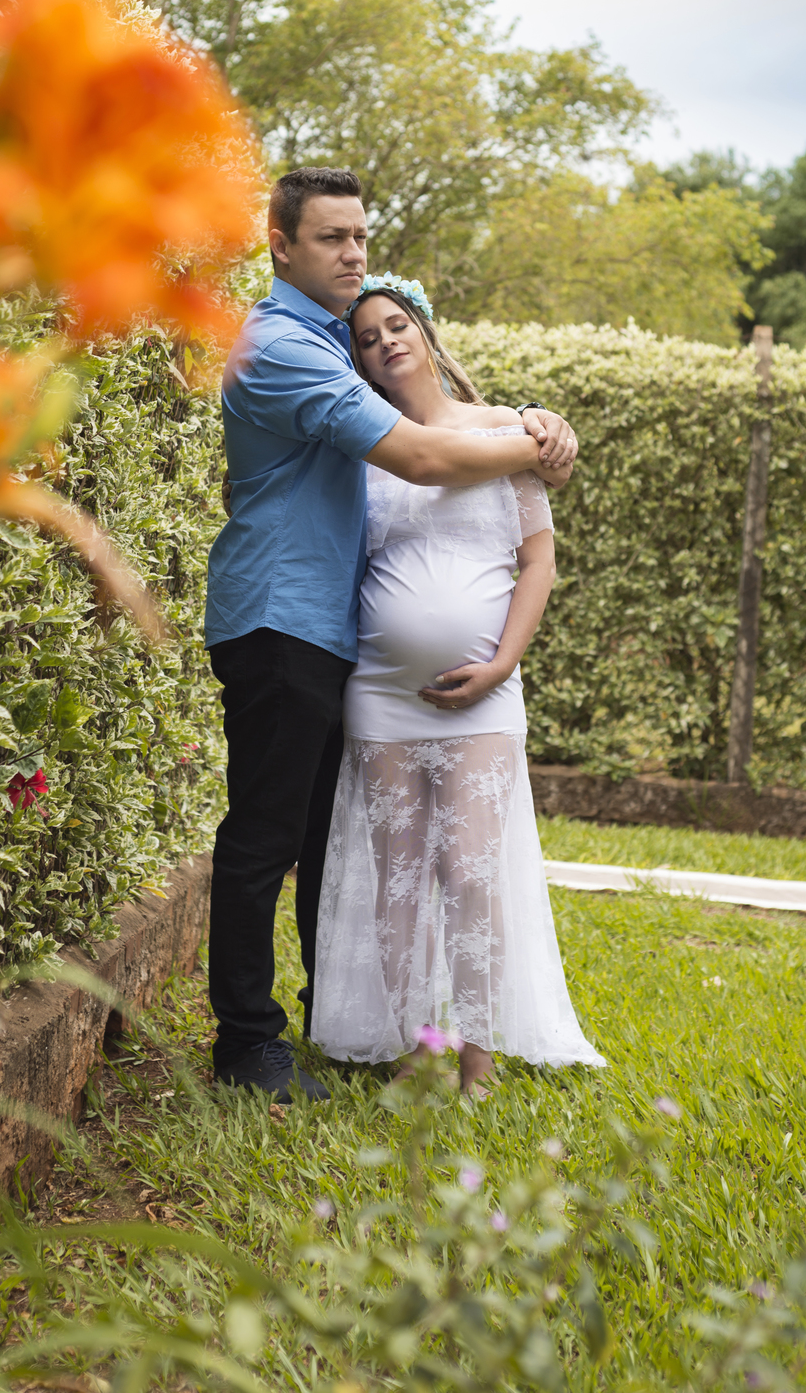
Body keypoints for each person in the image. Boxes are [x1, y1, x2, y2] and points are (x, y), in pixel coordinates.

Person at [204, 165, 579, 1101]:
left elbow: (432, 424)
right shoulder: (281, 345)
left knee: (331, 841)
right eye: (331, 238)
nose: (354, 253)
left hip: (325, 631)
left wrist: (523, 423)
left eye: (361, 236)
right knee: (267, 838)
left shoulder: (335, 342)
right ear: (280, 245)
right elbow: (419, 453)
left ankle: (345, 1025)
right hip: (278, 617)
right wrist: (540, 442)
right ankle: (250, 1047)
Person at [311, 279, 604, 1093]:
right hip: (380, 694)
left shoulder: (510, 433)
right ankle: (420, 1047)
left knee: (472, 872)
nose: (384, 344)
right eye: (365, 339)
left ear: (427, 332)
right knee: (399, 880)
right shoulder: (362, 448)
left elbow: (538, 559)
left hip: (487, 694)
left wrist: (503, 662)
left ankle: (477, 1054)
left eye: (396, 326)